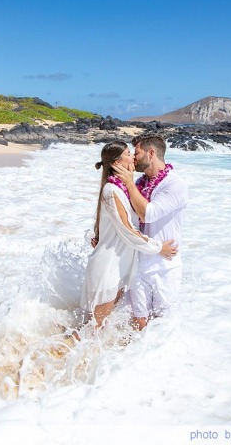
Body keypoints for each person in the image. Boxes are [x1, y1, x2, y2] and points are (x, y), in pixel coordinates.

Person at [81, 141, 178, 329]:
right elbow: (128, 231)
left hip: (120, 266)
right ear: (117, 162)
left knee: (99, 326)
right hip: (109, 266)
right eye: (128, 153)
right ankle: (58, 347)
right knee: (93, 326)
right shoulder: (112, 190)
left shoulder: (123, 189)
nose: (133, 156)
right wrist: (159, 248)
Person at [113, 133, 188, 330]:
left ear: (151, 153)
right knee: (138, 322)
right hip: (139, 263)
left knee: (163, 324)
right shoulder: (140, 184)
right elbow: (123, 216)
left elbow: (148, 214)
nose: (133, 158)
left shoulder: (174, 184)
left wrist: (129, 183)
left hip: (164, 265)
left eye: (137, 153)